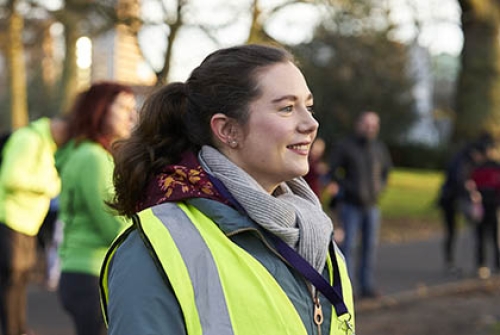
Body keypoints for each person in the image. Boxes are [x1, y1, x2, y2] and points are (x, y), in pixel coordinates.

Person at [99, 44, 355, 335]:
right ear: (227, 130)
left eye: (307, 107)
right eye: (286, 108)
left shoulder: (315, 232)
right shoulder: (153, 250)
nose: (311, 123)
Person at [57, 82, 137, 335]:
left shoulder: (81, 152)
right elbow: (113, 225)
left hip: (79, 271)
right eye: (124, 107)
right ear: (100, 110)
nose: (132, 116)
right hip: (92, 273)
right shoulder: (93, 158)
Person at [0, 116, 69, 335]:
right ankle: (12, 329)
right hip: (11, 219)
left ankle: (20, 328)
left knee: (20, 280)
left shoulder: (45, 144)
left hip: (27, 222)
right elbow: (11, 177)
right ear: (59, 127)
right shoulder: (29, 139)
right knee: (11, 281)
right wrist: (48, 186)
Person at [328, 111, 392, 299]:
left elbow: (386, 171)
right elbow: (332, 171)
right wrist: (346, 188)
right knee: (347, 248)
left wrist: (379, 188)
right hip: (350, 206)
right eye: (366, 124)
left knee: (369, 247)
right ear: (358, 124)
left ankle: (367, 286)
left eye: (373, 125)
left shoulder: (379, 148)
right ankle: (347, 290)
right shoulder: (345, 146)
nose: (370, 128)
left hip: (372, 206)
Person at [437, 133, 493, 275]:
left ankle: (464, 262)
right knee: (454, 231)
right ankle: (451, 263)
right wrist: (471, 192)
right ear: (476, 153)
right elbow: (459, 181)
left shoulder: (465, 159)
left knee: (460, 231)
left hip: (457, 199)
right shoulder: (463, 161)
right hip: (452, 200)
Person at [469, 140, 500, 279]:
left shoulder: (479, 168)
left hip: (486, 206)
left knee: (484, 237)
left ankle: (483, 265)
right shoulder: (485, 168)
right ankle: (489, 265)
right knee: (491, 238)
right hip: (487, 206)